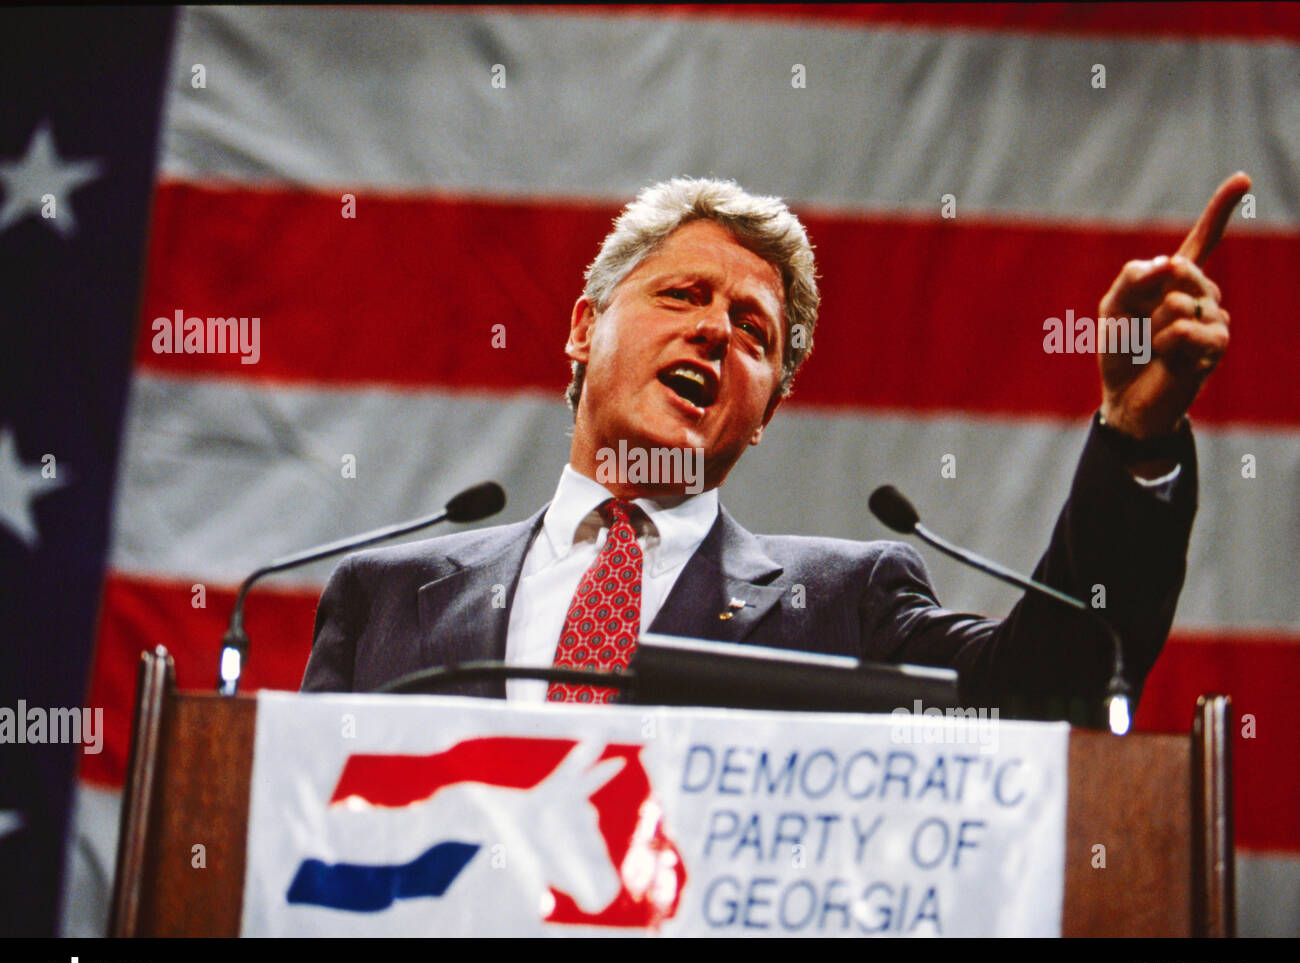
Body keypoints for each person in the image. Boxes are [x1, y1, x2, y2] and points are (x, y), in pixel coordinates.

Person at [301, 173, 1250, 726]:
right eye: (682, 297)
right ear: (584, 328)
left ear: (763, 414)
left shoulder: (846, 606)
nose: (716, 332)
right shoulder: (385, 596)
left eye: (753, 331)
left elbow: (1053, 689)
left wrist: (1138, 436)